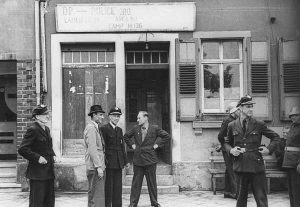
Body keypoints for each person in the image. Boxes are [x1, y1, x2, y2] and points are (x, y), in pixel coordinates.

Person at [224, 95, 281, 207]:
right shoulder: (231, 125)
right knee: (240, 200)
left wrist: (268, 149)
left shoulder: (259, 124)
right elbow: (226, 143)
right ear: (240, 108)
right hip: (240, 166)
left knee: (261, 200)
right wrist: (231, 150)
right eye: (247, 107)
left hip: (256, 166)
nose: (251, 109)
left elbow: (276, 137)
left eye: (251, 106)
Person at [124, 111, 171, 207]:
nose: (137, 120)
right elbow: (126, 136)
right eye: (137, 118)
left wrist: (157, 145)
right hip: (138, 160)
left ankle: (154, 202)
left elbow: (167, 136)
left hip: (150, 160)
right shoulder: (135, 128)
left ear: (146, 118)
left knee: (152, 183)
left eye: (139, 118)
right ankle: (133, 204)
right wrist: (132, 145)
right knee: (136, 184)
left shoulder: (155, 128)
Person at [18, 104, 56, 207]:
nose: (48, 116)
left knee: (49, 201)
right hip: (38, 174)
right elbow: (22, 149)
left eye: (48, 114)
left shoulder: (46, 129)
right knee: (37, 202)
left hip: (48, 171)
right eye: (44, 114)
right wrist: (38, 157)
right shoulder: (33, 129)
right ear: (37, 117)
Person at [100, 107, 129, 207]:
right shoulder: (103, 129)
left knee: (117, 187)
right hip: (109, 162)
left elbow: (122, 146)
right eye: (114, 116)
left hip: (118, 162)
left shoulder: (119, 130)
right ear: (109, 117)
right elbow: (102, 147)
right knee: (108, 187)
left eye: (118, 116)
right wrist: (102, 162)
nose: (116, 118)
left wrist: (125, 161)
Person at [84, 105, 106, 207]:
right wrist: (99, 167)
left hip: (97, 166)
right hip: (95, 167)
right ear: (94, 115)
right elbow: (92, 149)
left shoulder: (95, 127)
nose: (102, 117)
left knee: (96, 194)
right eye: (100, 115)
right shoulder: (91, 128)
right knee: (96, 196)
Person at [217, 102, 240, 199]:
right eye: (238, 110)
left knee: (229, 170)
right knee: (232, 170)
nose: (240, 111)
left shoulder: (234, 120)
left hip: (230, 148)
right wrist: (224, 144)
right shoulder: (228, 121)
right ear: (233, 111)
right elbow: (220, 136)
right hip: (228, 149)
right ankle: (236, 193)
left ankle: (227, 192)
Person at [282, 106, 300, 207]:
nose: (292, 117)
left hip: (296, 163)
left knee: (297, 190)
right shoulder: (293, 126)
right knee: (292, 190)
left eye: (295, 115)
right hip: (289, 162)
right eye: (291, 115)